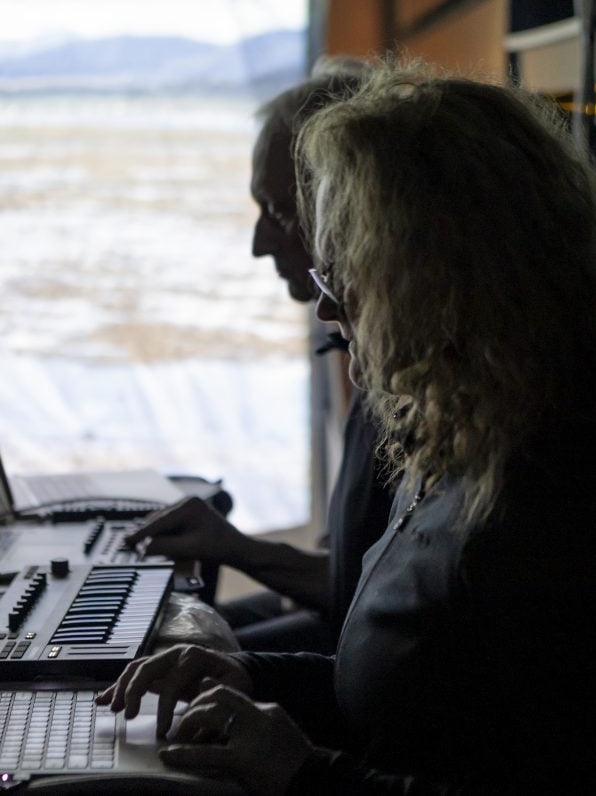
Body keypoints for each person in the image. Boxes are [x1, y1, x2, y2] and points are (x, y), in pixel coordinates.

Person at [98, 61, 596, 793]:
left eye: (348, 271)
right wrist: (246, 673)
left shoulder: (562, 489)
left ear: (435, 279)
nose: (327, 308)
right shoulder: (462, 433)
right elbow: (411, 699)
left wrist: (304, 774)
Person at [125, 61, 394, 653]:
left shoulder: (417, 383)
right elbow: (355, 573)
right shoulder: (376, 356)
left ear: (349, 211)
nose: (258, 244)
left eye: (277, 212)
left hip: (357, 673)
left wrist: (237, 549)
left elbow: (364, 598)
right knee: (150, 642)